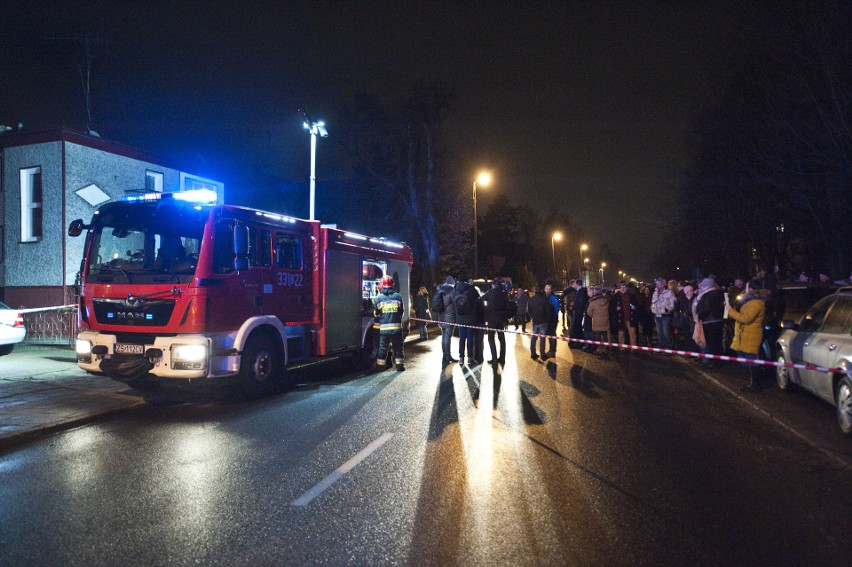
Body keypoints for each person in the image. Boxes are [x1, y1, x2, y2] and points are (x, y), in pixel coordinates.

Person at [726, 281, 769, 391]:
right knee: (747, 361)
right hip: (745, 335)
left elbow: (746, 318)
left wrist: (730, 311)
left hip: (750, 335)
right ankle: (754, 382)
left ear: (751, 289)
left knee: (752, 361)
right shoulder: (749, 301)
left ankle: (756, 384)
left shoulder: (755, 303)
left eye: (747, 287)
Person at [372, 275, 405, 371]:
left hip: (384, 330)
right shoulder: (398, 296)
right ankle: (399, 366)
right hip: (396, 328)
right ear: (392, 285)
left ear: (382, 286)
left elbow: (376, 313)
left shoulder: (378, 298)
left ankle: (380, 366)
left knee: (383, 348)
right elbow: (401, 311)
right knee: (398, 347)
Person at [695, 276, 725, 367]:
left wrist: (699, 316)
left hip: (709, 321)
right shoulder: (719, 293)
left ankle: (713, 362)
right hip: (718, 320)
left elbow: (707, 308)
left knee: (711, 342)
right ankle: (717, 361)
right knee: (717, 341)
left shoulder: (707, 294)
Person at [479, 278, 509, 364]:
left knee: (491, 338)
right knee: (501, 338)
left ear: (493, 285)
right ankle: (502, 358)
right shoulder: (504, 293)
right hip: (501, 319)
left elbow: (482, 299)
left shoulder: (490, 293)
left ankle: (494, 358)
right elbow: (507, 306)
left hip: (491, 319)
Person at [454, 275, 481, 365]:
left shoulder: (455, 289)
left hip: (460, 318)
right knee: (470, 338)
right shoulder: (471, 289)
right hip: (470, 317)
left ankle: (461, 358)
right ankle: (470, 358)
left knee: (462, 338)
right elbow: (478, 301)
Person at [436, 276, 458, 365]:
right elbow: (455, 303)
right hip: (450, 318)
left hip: (441, 317)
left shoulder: (440, 290)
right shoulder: (451, 291)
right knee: (447, 338)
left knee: (444, 337)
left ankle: (445, 355)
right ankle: (448, 356)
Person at [651, 277, 676, 348]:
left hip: (665, 315)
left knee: (666, 332)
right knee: (659, 332)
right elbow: (653, 302)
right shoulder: (655, 293)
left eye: (658, 284)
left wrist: (667, 309)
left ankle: (668, 346)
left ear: (663, 284)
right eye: (656, 284)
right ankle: (661, 346)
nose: (657, 285)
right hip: (657, 315)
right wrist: (652, 309)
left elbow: (672, 304)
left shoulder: (669, 292)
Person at [585, 285, 610, 353]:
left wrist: (593, 315)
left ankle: (599, 349)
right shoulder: (607, 300)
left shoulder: (593, 301)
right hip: (605, 320)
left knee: (598, 336)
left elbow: (589, 312)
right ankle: (605, 349)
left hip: (596, 321)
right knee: (605, 335)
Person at [527, 286, 550, 360]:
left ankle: (533, 353)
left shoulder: (531, 300)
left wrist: (532, 317)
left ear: (534, 291)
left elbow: (529, 311)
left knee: (534, 337)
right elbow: (547, 311)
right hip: (543, 321)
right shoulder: (544, 299)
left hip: (535, 321)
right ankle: (542, 354)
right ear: (540, 291)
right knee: (542, 338)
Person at [568, 279, 589, 349]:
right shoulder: (582, 291)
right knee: (577, 328)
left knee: (576, 328)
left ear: (577, 284)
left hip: (578, 313)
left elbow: (579, 303)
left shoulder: (581, 292)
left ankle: (576, 343)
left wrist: (573, 307)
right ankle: (579, 342)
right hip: (578, 313)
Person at [544, 280, 560, 358]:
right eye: (546, 289)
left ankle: (552, 351)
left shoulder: (553, 297)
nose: (548, 290)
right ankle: (551, 350)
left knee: (552, 335)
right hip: (548, 320)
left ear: (551, 290)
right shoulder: (546, 297)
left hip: (552, 319)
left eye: (549, 289)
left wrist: (554, 317)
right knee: (550, 335)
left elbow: (556, 308)